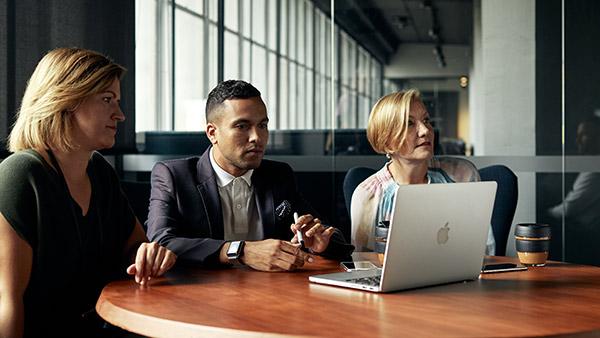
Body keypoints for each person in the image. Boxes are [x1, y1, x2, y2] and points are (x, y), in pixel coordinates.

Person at [0, 48, 177, 338]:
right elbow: (7, 302)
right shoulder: (20, 176)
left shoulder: (100, 172)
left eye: (117, 102)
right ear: (66, 100)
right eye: (107, 100)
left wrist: (150, 254)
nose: (120, 115)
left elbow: (135, 248)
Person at [146, 80, 354, 271]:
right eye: (242, 126)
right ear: (212, 133)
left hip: (268, 297)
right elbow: (160, 242)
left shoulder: (278, 175)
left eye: (262, 125)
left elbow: (327, 235)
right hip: (200, 298)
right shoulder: (173, 176)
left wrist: (320, 243)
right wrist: (241, 250)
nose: (257, 137)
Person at [350, 89, 495, 253]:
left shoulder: (462, 174)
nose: (426, 130)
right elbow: (364, 266)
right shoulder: (368, 195)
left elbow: (485, 251)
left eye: (426, 120)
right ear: (387, 142)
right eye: (409, 123)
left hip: (462, 277)